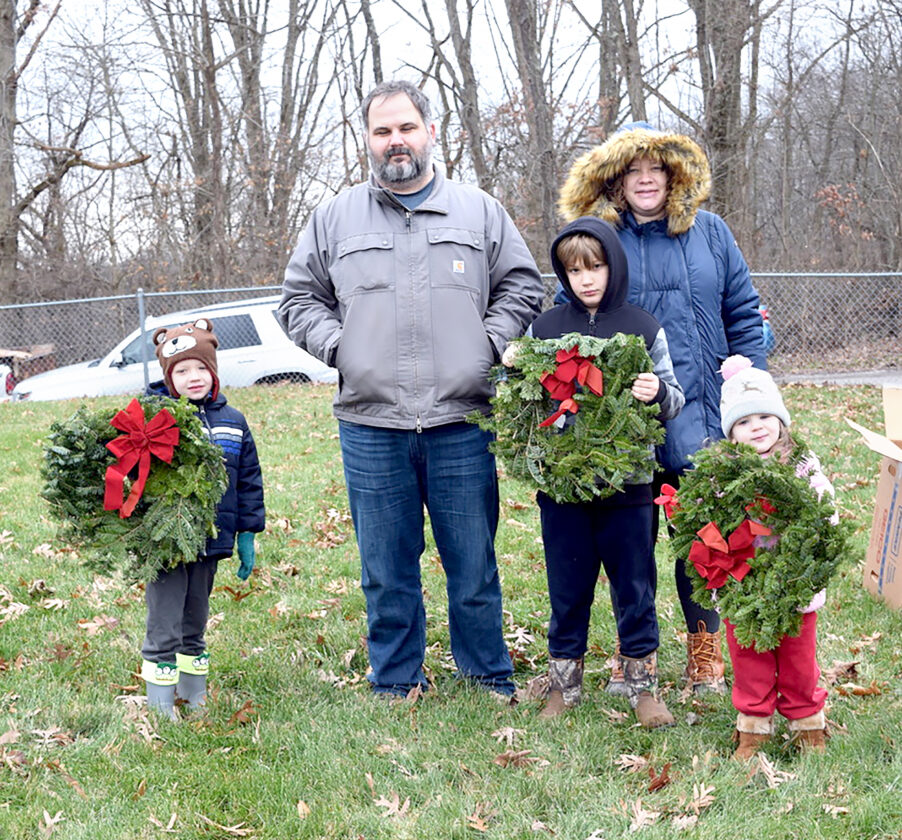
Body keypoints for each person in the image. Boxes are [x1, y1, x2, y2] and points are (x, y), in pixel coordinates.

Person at [277, 80, 544, 700]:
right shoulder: (334, 218)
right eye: (382, 131)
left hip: (462, 419)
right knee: (385, 567)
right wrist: (342, 349)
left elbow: (524, 285)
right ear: (367, 140)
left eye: (406, 127)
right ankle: (396, 678)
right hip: (371, 422)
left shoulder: (479, 211)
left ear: (430, 132)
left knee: (472, 563)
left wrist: (487, 342)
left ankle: (486, 673)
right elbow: (297, 300)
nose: (395, 140)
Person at [557, 122, 767, 694]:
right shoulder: (599, 239)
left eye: (657, 169)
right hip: (622, 427)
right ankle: (635, 654)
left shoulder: (711, 233)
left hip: (701, 416)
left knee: (704, 541)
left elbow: (744, 313)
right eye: (633, 171)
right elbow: (566, 322)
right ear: (615, 181)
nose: (646, 179)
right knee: (629, 547)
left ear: (675, 176)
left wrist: (750, 389)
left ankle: (704, 652)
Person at [503, 216, 684, 726]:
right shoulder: (545, 329)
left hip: (629, 489)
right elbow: (521, 399)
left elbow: (675, 396)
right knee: (568, 588)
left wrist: (657, 392)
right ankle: (564, 687)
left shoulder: (642, 327)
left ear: (613, 266)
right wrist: (514, 366)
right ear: (563, 274)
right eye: (575, 270)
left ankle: (643, 688)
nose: (586, 279)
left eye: (596, 267)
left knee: (635, 587)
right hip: (564, 492)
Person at [141, 318, 265, 718]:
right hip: (166, 543)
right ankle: (162, 706)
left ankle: (193, 698)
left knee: (194, 621)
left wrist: (247, 531)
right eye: (182, 371)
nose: (193, 377)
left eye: (201, 368)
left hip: (211, 540)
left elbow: (249, 479)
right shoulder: (155, 419)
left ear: (213, 371)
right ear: (168, 377)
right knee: (165, 625)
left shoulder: (234, 421)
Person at [718, 356, 833, 758]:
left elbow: (824, 509)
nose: (757, 427)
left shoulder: (801, 466)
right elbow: (711, 522)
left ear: (781, 420)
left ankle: (808, 725)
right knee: (750, 659)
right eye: (744, 421)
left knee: (799, 660)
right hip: (745, 587)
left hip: (794, 585)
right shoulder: (723, 473)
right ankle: (753, 728)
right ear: (731, 432)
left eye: (765, 416)